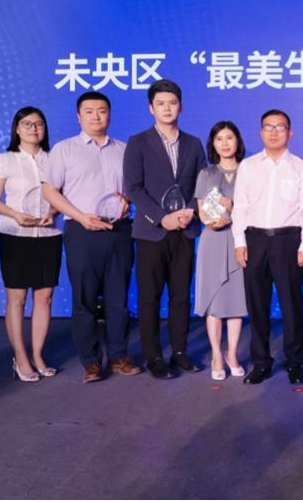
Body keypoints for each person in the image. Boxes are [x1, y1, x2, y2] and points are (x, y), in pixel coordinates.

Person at [42, 92, 142, 383]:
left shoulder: (124, 149)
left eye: (102, 110)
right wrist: (81, 216)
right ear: (79, 116)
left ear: (110, 114)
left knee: (118, 297)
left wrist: (128, 201)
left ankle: (119, 356)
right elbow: (50, 191)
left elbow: (134, 189)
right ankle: (91, 362)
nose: (96, 116)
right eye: (89, 111)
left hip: (119, 230)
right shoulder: (64, 149)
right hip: (81, 231)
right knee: (84, 299)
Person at [123, 79, 207, 379]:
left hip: (185, 230)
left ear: (180, 107)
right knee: (149, 298)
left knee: (181, 296)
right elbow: (133, 188)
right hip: (152, 232)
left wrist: (190, 212)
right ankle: (154, 356)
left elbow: (202, 185)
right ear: (151, 108)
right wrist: (161, 218)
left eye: (172, 103)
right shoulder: (138, 142)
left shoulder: (194, 143)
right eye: (160, 103)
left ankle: (180, 352)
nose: (167, 108)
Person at [232, 110, 303, 385]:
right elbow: (240, 207)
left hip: (288, 240)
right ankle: (261, 363)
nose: (274, 132)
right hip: (255, 240)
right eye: (268, 127)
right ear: (260, 132)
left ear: (290, 133)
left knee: (292, 305)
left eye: (280, 127)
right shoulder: (248, 166)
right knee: (257, 306)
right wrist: (240, 242)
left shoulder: (301, 168)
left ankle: (295, 363)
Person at [0, 107, 63, 382]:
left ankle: (38, 355)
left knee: (44, 297)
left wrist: (53, 212)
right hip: (15, 235)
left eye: (39, 124)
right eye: (27, 124)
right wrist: (16, 215)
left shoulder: (54, 159)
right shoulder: (4, 160)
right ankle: (20, 357)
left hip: (49, 235)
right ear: (17, 128)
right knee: (17, 299)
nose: (33, 129)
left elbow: (62, 195)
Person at [194, 121, 248, 381]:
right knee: (215, 302)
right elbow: (203, 210)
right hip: (213, 240)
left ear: (238, 141)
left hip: (240, 240)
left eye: (229, 137)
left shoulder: (249, 171)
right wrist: (211, 221)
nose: (225, 143)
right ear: (213, 144)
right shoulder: (206, 174)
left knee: (236, 301)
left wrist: (233, 207)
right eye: (219, 139)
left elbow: (255, 208)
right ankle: (216, 354)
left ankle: (232, 354)